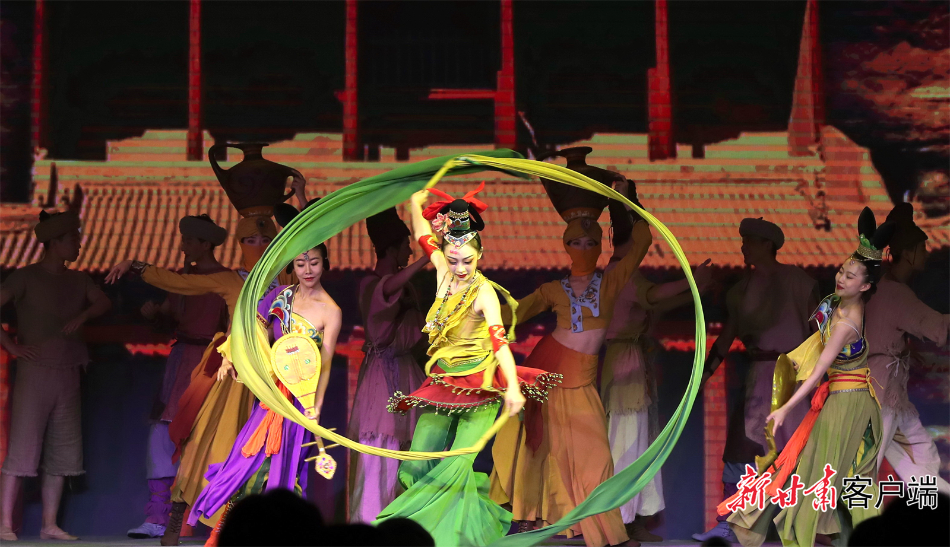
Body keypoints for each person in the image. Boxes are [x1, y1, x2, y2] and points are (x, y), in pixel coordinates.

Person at [105, 180, 305, 545]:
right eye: (250, 240)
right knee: (211, 446)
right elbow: (181, 284)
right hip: (237, 377)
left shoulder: (289, 279)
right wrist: (135, 265)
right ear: (239, 244)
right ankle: (179, 517)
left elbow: (307, 242)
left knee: (277, 452)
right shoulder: (231, 280)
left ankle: (264, 524)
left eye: (265, 240)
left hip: (278, 378)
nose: (258, 246)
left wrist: (302, 201)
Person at [375, 187, 561, 546]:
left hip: (481, 386)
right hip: (444, 384)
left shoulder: (484, 293)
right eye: (453, 260)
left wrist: (512, 389)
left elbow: (500, 343)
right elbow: (423, 237)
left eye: (468, 261)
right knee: (417, 463)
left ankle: (454, 539)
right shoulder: (443, 274)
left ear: (480, 256)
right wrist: (414, 203)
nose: (460, 268)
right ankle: (432, 531)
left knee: (456, 465)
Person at [490, 178, 650, 547]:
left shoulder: (610, 281)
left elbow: (642, 241)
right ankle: (527, 517)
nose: (583, 248)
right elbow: (512, 314)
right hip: (547, 370)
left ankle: (610, 535)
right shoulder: (553, 290)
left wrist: (629, 200)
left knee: (597, 457)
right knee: (537, 444)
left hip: (581, 378)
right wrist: (472, 309)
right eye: (576, 242)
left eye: (591, 242)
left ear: (599, 245)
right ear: (565, 245)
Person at [721, 207, 896, 547]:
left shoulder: (846, 322)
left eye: (851, 276)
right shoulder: (837, 304)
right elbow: (814, 345)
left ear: (865, 285)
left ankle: (809, 534)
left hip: (847, 403)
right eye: (842, 270)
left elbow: (818, 370)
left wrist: (785, 408)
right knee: (844, 473)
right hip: (845, 399)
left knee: (817, 472)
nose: (841, 278)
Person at [188, 241, 342, 547]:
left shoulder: (331, 310)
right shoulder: (281, 296)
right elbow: (248, 327)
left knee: (283, 470)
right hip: (270, 395)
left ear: (325, 263)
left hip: (299, 401)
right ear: (292, 267)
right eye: (300, 263)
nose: (307, 270)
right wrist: (231, 356)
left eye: (314, 262)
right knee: (246, 465)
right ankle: (224, 534)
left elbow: (324, 365)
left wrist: (316, 406)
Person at [693, 218, 819, 543]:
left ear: (768, 245)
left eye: (750, 241)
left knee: (797, 452)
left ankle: (806, 525)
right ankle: (729, 524)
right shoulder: (741, 291)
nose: (743, 246)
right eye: (743, 240)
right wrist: (703, 376)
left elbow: (821, 331)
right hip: (757, 377)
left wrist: (825, 376)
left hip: (793, 376)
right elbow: (725, 339)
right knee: (741, 449)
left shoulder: (797, 281)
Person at [0, 210, 112, 541]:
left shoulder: (79, 279)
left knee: (63, 451)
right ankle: (4, 524)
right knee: (22, 448)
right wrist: (11, 345)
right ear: (55, 243)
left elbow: (103, 302)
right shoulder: (25, 277)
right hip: (35, 371)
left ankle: (49, 524)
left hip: (69, 371)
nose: (78, 245)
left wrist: (83, 316)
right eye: (73, 239)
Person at [601, 220, 712, 542]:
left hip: (633, 361)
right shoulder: (620, 273)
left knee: (638, 440)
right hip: (624, 366)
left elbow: (655, 303)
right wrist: (692, 282)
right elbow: (651, 295)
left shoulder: (625, 273)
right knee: (625, 440)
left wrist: (695, 292)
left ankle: (633, 518)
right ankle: (618, 521)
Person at [126, 215, 230, 539]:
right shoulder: (182, 280)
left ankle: (211, 521)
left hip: (212, 362)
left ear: (204, 244)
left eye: (188, 240)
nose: (183, 246)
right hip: (180, 359)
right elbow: (168, 322)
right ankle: (158, 517)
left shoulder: (226, 280)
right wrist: (155, 316)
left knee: (209, 438)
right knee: (162, 436)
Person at [347, 208, 428, 523]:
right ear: (392, 249)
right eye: (406, 246)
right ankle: (370, 524)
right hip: (384, 375)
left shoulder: (406, 287)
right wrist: (427, 259)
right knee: (381, 447)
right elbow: (388, 288)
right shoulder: (372, 285)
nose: (410, 252)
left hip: (407, 372)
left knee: (411, 451)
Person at [866, 204, 949, 495]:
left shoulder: (886, 288)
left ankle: (933, 503)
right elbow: (933, 324)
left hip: (890, 392)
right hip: (879, 391)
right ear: (909, 253)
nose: (926, 254)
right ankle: (842, 517)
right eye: (922, 249)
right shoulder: (894, 293)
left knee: (923, 453)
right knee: (869, 462)